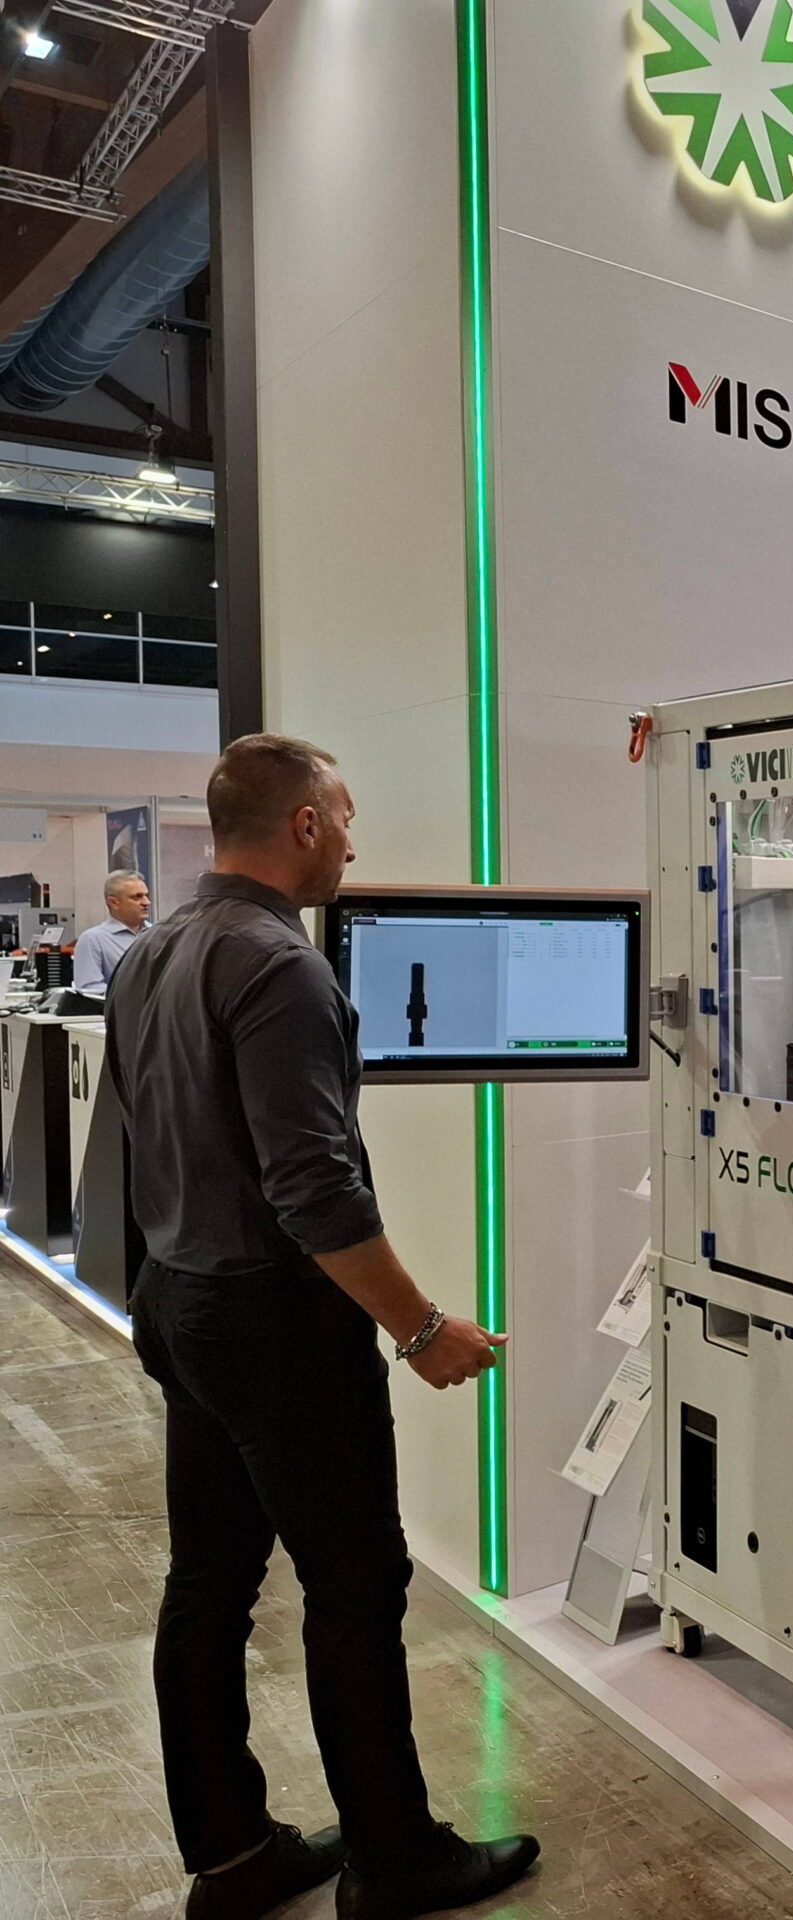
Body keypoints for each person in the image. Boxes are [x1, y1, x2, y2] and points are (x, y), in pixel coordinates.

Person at [106, 734, 540, 1920]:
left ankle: (233, 1858)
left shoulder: (154, 951)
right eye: (344, 816)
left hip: (180, 1300)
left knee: (208, 1583)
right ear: (303, 823)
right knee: (355, 1587)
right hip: (275, 1324)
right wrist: (423, 1328)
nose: (353, 839)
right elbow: (314, 1192)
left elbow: (152, 1140)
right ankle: (396, 1860)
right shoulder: (279, 966)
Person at [72, 868, 151, 995]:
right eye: (137, 897)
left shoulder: (159, 934)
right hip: (121, 1007)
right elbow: (89, 989)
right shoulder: (93, 940)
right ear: (113, 902)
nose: (146, 902)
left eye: (146, 896)